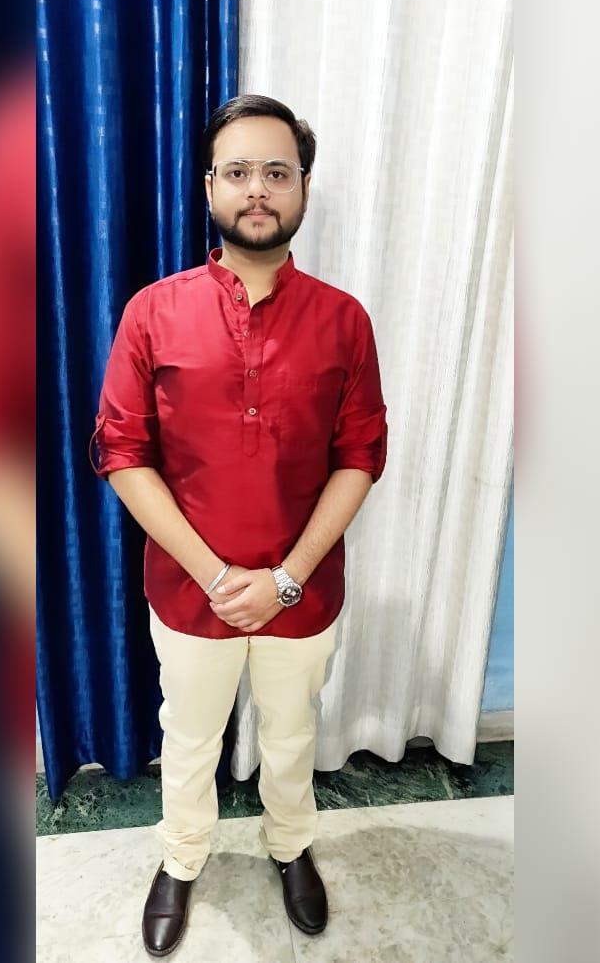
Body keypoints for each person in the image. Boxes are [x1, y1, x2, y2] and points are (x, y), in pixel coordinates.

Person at [90, 94, 388, 958]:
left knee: (292, 734)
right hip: (192, 594)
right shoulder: (153, 312)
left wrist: (285, 578)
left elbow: (361, 456)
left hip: (305, 592)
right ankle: (183, 858)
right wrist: (220, 577)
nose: (258, 189)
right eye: (240, 172)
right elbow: (121, 453)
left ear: (303, 189)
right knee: (189, 736)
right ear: (210, 187)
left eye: (277, 172)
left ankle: (290, 846)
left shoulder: (344, 320)